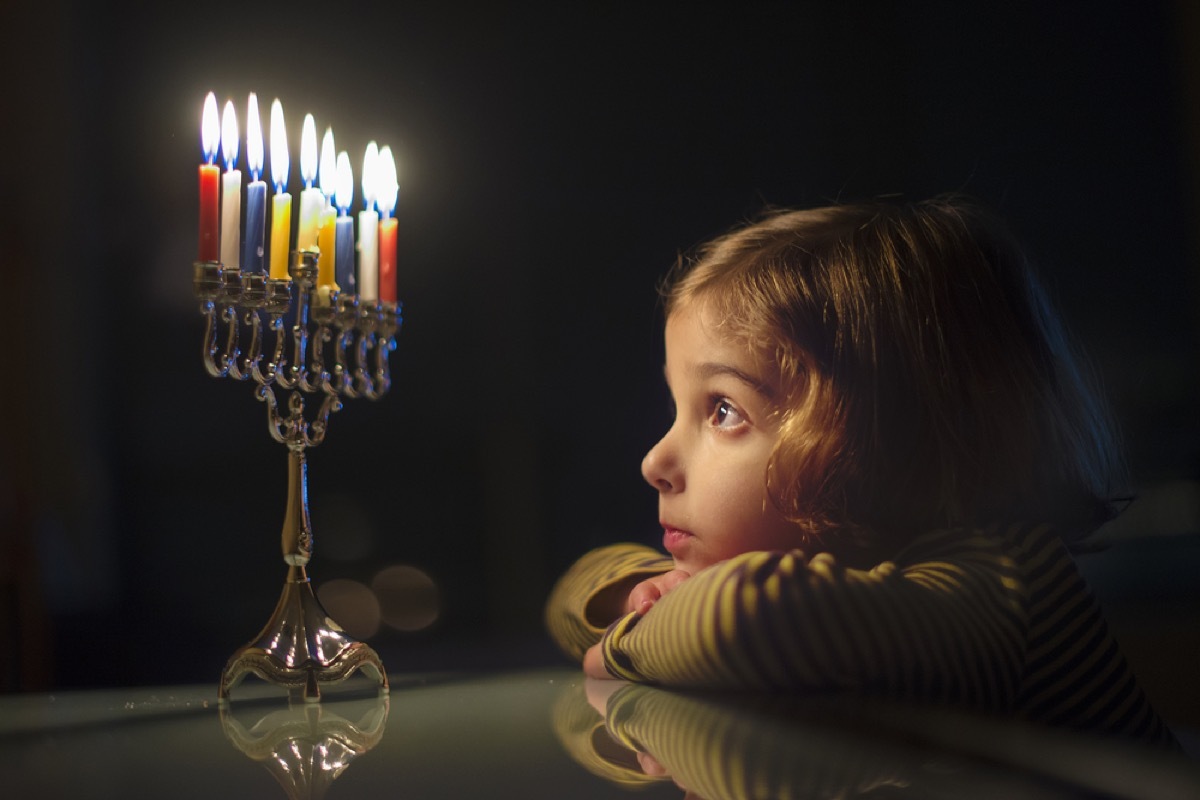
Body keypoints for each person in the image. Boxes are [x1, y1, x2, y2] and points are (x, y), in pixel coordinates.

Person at [544, 195, 1177, 747]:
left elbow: (742, 624)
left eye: (723, 410)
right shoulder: (847, 585)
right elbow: (576, 590)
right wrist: (643, 595)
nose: (655, 462)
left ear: (887, 443)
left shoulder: (1007, 584)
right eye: (678, 408)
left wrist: (632, 638)